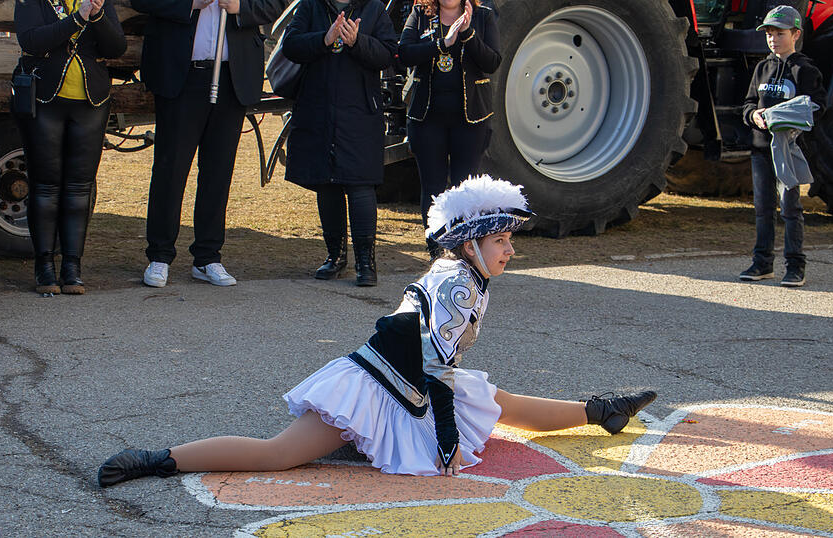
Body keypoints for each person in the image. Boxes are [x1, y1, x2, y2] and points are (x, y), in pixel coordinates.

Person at [97, 175, 657, 486]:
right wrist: (442, 439)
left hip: (413, 381)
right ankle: (158, 458)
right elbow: (435, 368)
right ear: (469, 244)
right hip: (380, 384)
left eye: (511, 242)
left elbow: (441, 368)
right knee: (279, 454)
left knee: (495, 399)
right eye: (501, 242)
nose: (510, 251)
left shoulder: (466, 274)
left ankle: (601, 410)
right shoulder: (459, 284)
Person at [136, 0, 286, 289]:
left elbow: (274, 3)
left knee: (218, 171)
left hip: (232, 75)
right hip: (181, 73)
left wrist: (240, 6)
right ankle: (159, 255)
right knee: (171, 167)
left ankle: (207, 256)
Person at [14, 0, 126, 295]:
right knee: (46, 186)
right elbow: (31, 40)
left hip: (91, 101)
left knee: (80, 187)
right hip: (44, 99)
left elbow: (116, 47)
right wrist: (78, 19)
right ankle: (45, 266)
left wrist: (98, 15)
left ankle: (72, 267)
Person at [282, 0, 397, 286]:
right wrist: (325, 39)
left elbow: (387, 54)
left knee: (360, 185)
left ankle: (366, 263)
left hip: (359, 111)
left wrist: (357, 41)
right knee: (327, 183)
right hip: (318, 110)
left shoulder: (374, 8)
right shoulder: (310, 6)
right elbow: (291, 46)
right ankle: (335, 257)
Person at [398, 0, 499, 259]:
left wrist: (467, 35)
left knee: (464, 189)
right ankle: (436, 252)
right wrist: (442, 44)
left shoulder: (483, 16)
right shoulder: (420, 14)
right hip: (427, 117)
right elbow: (405, 53)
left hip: (470, 120)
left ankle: (462, 253)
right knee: (432, 188)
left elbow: (492, 62)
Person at [739, 5, 825, 288]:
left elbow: (818, 108)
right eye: (770, 34)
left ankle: (795, 266)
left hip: (789, 151)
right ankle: (762, 264)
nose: (773, 39)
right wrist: (754, 116)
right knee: (763, 208)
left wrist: (785, 119)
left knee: (790, 208)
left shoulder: (805, 70)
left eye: (780, 33)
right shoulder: (762, 68)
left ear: (796, 34)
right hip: (761, 149)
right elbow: (749, 104)